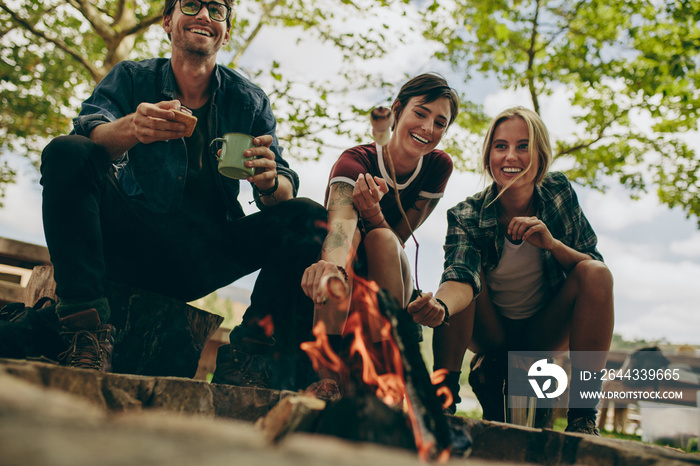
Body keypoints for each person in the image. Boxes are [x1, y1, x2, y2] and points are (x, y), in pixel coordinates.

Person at [33, 0, 326, 389]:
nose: (205, 15)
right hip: (128, 243)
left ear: (226, 30)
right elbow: (89, 133)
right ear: (168, 22)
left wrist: (271, 182)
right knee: (66, 150)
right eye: (192, 4)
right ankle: (84, 332)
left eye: (217, 9)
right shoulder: (132, 77)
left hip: (202, 257)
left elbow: (285, 184)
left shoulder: (248, 99)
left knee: (307, 215)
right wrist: (133, 128)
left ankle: (247, 355)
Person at [407, 106, 614, 434]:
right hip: (491, 332)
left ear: (540, 154)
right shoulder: (466, 214)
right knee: (465, 283)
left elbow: (592, 263)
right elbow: (460, 273)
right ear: (489, 154)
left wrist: (552, 244)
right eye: (500, 146)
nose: (510, 156)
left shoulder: (559, 192)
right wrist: (440, 306)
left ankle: (582, 417)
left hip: (543, 332)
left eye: (522, 146)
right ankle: (442, 401)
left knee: (597, 273)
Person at [301, 73, 460, 349]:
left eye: (439, 123)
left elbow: (397, 239)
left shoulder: (438, 167)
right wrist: (333, 268)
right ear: (397, 109)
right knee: (356, 239)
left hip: (389, 274)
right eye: (420, 113)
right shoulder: (354, 162)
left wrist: (374, 217)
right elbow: (340, 227)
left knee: (381, 238)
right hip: (345, 267)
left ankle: (387, 366)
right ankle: (327, 370)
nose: (427, 128)